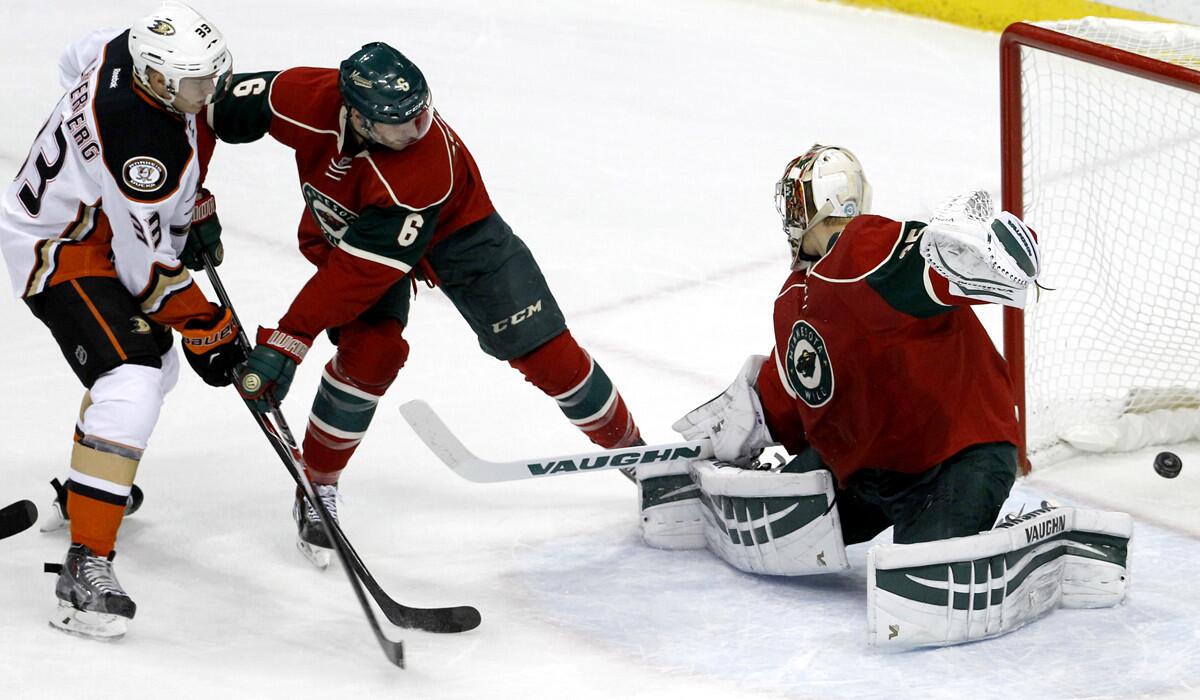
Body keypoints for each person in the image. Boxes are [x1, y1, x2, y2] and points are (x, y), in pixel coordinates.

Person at [638, 146, 1130, 647]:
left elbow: (930, 265)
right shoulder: (793, 299)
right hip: (868, 472)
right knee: (779, 515)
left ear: (819, 207)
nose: (788, 218)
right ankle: (710, 494)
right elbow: (802, 389)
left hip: (957, 459)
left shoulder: (863, 248)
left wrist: (977, 249)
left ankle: (1046, 546)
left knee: (917, 587)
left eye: (794, 203)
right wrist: (738, 423)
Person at [201, 42, 643, 566]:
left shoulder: (421, 166)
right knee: (373, 354)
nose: (417, 132)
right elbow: (205, 108)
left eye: (421, 115)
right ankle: (316, 485)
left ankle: (639, 459)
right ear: (355, 115)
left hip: (462, 235)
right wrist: (192, 195)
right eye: (398, 126)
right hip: (358, 229)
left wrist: (289, 338)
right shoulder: (300, 96)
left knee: (549, 353)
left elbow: (362, 273)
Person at [0, 2, 243, 639]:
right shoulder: (146, 152)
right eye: (195, 83)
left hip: (91, 222)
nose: (207, 91)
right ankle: (85, 567)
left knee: (155, 371)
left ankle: (87, 491)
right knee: (132, 377)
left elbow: (71, 61)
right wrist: (208, 328)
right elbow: (146, 274)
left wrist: (189, 207)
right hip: (59, 248)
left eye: (210, 75)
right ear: (158, 79)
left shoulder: (119, 47)